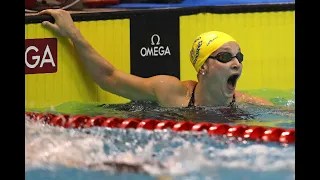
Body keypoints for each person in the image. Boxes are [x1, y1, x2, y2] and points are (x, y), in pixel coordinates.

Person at [37, 9, 274, 108]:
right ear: (203, 67)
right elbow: (109, 77)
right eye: (225, 57)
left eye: (239, 57)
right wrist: (73, 34)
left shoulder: (245, 103)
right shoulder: (171, 91)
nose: (236, 63)